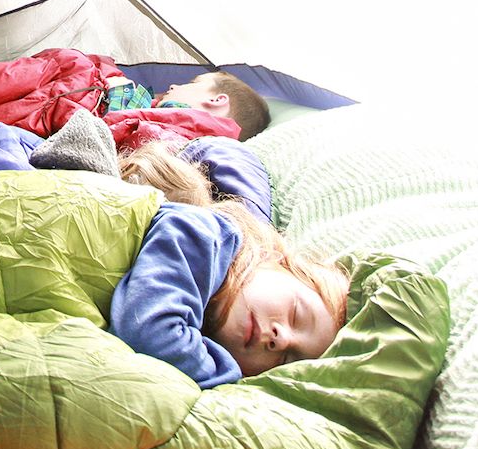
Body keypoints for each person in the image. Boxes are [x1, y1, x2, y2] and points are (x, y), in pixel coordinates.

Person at [110, 141, 348, 385]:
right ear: (277, 262)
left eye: (287, 360)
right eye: (296, 314)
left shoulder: (201, 323)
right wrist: (227, 381)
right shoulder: (207, 235)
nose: (282, 339)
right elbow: (148, 332)